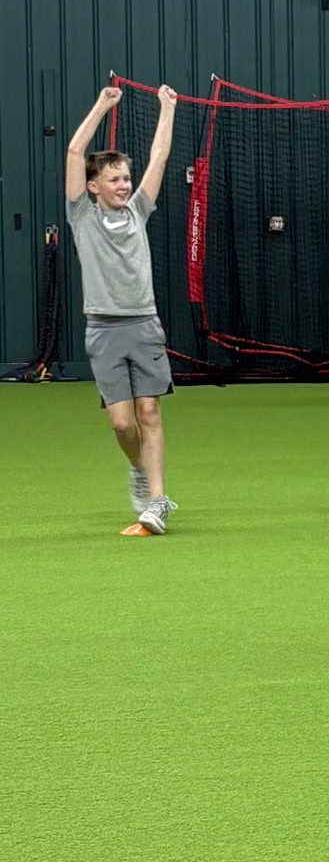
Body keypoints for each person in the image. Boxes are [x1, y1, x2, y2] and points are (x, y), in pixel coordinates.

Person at [64, 81, 179, 533]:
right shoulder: (82, 216)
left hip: (144, 325)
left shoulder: (138, 211)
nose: (123, 184)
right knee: (121, 424)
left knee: (149, 411)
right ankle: (138, 469)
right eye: (113, 179)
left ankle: (157, 501)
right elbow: (75, 153)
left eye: (125, 179)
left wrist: (166, 108)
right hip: (104, 330)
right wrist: (100, 106)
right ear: (93, 186)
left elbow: (160, 158)